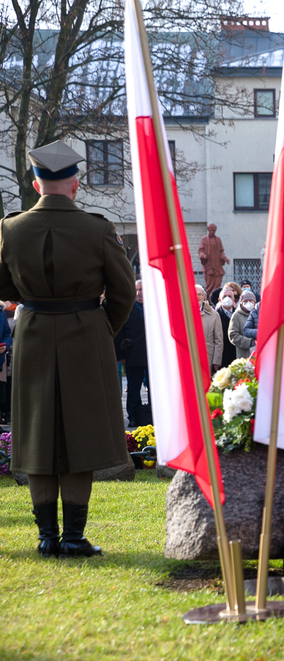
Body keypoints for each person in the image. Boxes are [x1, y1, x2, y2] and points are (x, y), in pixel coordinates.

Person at [0, 140, 135, 557]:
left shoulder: (10, 228)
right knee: (82, 433)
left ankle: (46, 536)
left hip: (34, 333)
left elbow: (4, 287)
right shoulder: (97, 228)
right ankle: (73, 537)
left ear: (36, 183)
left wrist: (29, 302)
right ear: (74, 184)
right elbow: (124, 291)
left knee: (38, 433)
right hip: (85, 334)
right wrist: (100, 329)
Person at [115, 280, 150, 427]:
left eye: (141, 289)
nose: (139, 293)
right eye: (136, 290)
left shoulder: (153, 307)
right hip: (132, 353)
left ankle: (152, 414)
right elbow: (119, 332)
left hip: (151, 356)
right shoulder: (127, 309)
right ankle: (133, 416)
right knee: (134, 388)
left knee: (153, 389)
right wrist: (121, 355)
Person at [195, 285, 223, 373]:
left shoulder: (214, 315)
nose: (197, 297)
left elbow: (218, 340)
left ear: (204, 297)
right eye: (194, 294)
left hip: (207, 359)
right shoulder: (183, 313)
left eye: (199, 294)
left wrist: (216, 361)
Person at [198, 223, 229, 293]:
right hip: (209, 266)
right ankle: (208, 299)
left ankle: (215, 299)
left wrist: (225, 258)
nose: (212, 232)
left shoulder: (218, 240)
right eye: (211, 230)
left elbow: (221, 252)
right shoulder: (204, 239)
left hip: (217, 266)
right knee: (209, 286)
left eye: (213, 231)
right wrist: (203, 256)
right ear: (208, 230)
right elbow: (200, 251)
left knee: (217, 286)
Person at [215, 283, 239, 367]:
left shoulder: (238, 314)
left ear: (233, 299)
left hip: (236, 354)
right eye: (224, 297)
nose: (227, 298)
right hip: (222, 356)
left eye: (229, 296)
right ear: (219, 300)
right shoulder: (216, 315)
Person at [228, 290, 256, 359]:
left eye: (251, 301)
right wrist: (249, 342)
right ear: (241, 303)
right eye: (246, 301)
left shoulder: (259, 314)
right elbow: (233, 335)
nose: (248, 303)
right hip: (244, 355)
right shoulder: (236, 315)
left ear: (255, 302)